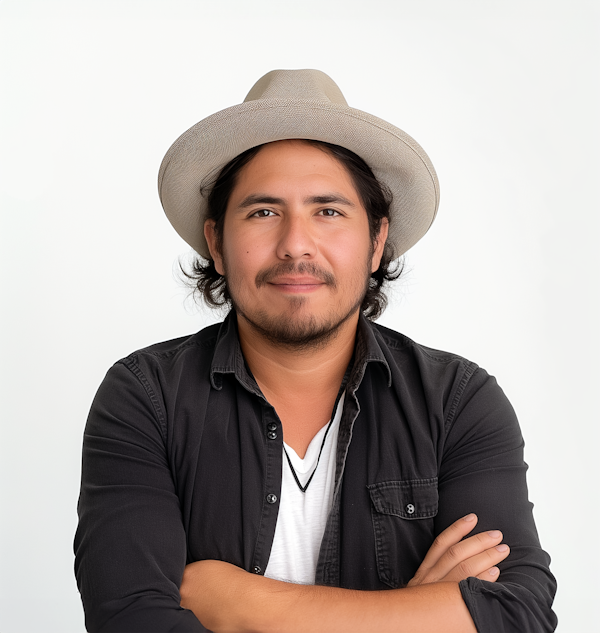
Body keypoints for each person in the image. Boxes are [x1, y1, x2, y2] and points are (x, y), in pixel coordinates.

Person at [74, 69, 557, 632]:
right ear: (217, 244)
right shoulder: (145, 397)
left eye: (328, 211)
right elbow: (132, 620)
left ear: (376, 242)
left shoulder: (457, 402)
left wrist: (235, 600)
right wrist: (416, 611)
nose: (295, 244)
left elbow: (519, 614)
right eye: (263, 212)